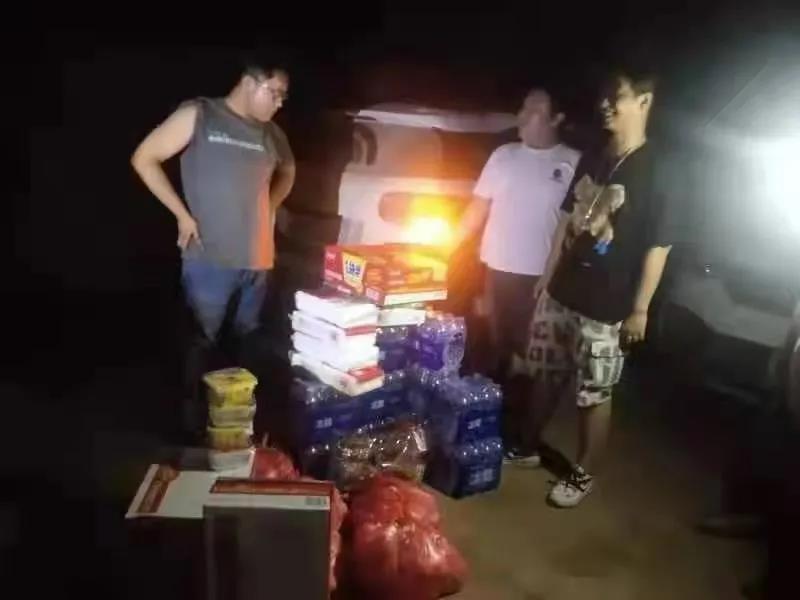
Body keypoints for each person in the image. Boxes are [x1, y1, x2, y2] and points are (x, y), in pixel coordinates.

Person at [509, 68, 678, 507]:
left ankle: (584, 473)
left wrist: (640, 309)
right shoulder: (595, 157)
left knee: (594, 392)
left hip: (607, 303)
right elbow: (566, 218)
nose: (604, 105)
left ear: (643, 102)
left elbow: (659, 247)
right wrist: (547, 275)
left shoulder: (658, 171)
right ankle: (526, 445)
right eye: (603, 95)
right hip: (563, 289)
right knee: (544, 373)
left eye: (615, 97)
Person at [131, 62, 295, 440]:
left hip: (257, 260)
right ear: (249, 82)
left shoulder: (272, 134)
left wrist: (271, 205)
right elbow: (144, 158)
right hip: (209, 259)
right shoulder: (201, 115)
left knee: (248, 345)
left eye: (283, 97)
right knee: (200, 345)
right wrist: (181, 215)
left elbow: (288, 170)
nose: (279, 103)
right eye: (274, 93)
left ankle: (236, 427)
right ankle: (191, 431)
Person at [454, 88, 580, 399]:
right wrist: (441, 249)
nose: (521, 117)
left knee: (531, 359)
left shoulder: (573, 162)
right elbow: (475, 211)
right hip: (496, 273)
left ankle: (522, 418)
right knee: (492, 351)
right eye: (522, 108)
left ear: (556, 118)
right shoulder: (503, 155)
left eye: (533, 111)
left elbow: (577, 227)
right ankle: (488, 412)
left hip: (541, 280)